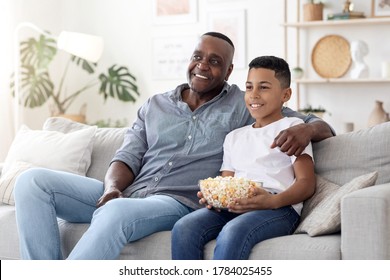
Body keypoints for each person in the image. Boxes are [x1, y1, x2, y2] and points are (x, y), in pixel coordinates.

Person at [14, 32, 333, 260]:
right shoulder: (155, 104)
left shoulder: (243, 102)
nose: (203, 65)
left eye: (215, 61)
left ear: (229, 71)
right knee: (32, 182)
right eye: (197, 57)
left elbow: (314, 125)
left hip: (177, 203)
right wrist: (112, 187)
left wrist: (307, 130)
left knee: (116, 212)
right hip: (131, 195)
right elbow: (128, 154)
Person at [171, 55, 316, 260]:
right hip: (236, 204)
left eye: (264, 87)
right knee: (184, 227)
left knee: (233, 231)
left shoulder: (291, 129)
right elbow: (227, 181)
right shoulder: (234, 137)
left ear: (286, 94)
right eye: (249, 87)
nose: (254, 95)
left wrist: (272, 202)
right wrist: (214, 195)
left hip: (279, 208)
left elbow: (306, 183)